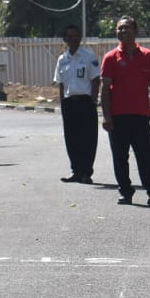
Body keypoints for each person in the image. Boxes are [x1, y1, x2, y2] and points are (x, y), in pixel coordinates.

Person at [100, 15, 150, 206]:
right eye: (120, 29)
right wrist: (106, 116)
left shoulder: (146, 55)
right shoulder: (110, 58)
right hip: (118, 117)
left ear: (135, 31)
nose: (123, 32)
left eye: (127, 28)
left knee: (146, 156)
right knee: (120, 157)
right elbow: (105, 90)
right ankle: (125, 191)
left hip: (141, 116)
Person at [53, 24, 101, 184]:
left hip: (85, 102)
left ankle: (86, 172)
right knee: (71, 139)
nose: (73, 39)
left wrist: (93, 100)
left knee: (87, 139)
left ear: (80, 38)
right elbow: (60, 83)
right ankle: (76, 171)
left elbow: (96, 79)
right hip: (69, 103)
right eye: (70, 37)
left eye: (76, 36)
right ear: (65, 39)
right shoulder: (62, 59)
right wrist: (62, 103)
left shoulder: (88, 56)